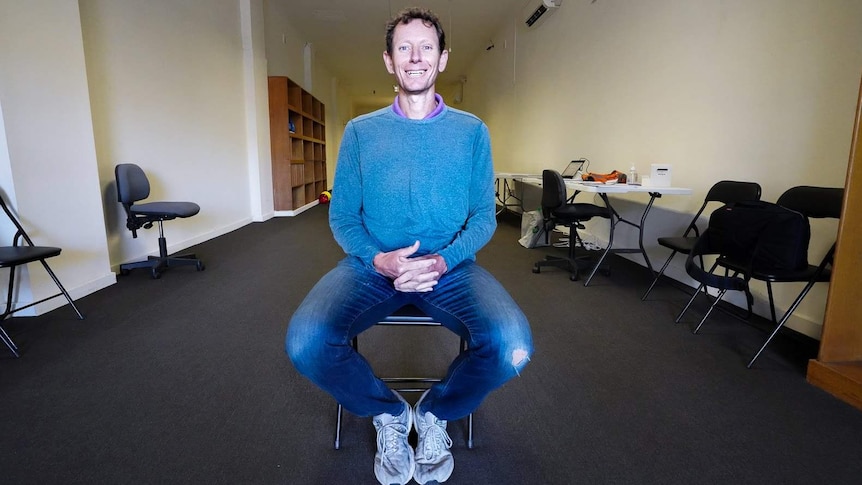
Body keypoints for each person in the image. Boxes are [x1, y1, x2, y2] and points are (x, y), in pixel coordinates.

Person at [286, 7, 533, 485]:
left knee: (513, 346)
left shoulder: (472, 132)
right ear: (388, 59)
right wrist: (379, 259)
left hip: (451, 269)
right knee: (305, 342)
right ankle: (391, 416)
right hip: (372, 267)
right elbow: (341, 216)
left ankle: (435, 414)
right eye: (404, 47)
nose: (415, 57)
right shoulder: (360, 133)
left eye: (426, 47)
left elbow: (485, 217)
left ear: (442, 59)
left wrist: (443, 260)